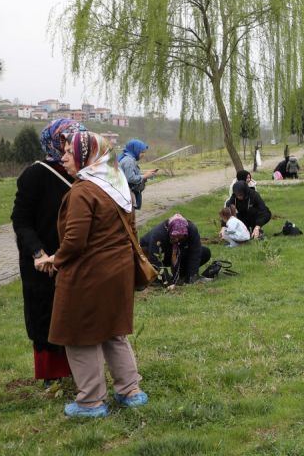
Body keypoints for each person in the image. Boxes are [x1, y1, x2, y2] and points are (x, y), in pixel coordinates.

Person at [38, 131, 147, 418]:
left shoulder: (83, 191)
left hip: (89, 275)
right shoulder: (117, 185)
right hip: (118, 271)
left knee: (79, 336)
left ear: (87, 157)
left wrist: (54, 260)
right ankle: (130, 390)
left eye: (70, 153)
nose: (63, 157)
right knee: (113, 332)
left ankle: (90, 402)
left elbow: (75, 241)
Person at [11, 118, 85, 387]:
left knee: (76, 313)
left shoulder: (86, 174)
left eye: (75, 142)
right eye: (66, 142)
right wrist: (37, 252)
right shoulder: (36, 174)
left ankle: (81, 370)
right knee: (45, 313)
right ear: (55, 142)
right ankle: (51, 374)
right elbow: (21, 220)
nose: (70, 148)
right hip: (42, 260)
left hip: (75, 257)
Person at [140, 213, 212, 286]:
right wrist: (166, 280)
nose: (176, 239)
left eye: (180, 237)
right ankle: (156, 279)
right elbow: (154, 258)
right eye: (174, 237)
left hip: (176, 252)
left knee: (205, 252)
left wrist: (192, 276)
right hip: (156, 255)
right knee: (147, 256)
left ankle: (183, 275)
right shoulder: (159, 234)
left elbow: (195, 252)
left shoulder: (192, 230)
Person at [118, 139, 158, 210]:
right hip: (128, 194)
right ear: (135, 150)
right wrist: (145, 176)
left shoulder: (129, 159)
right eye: (142, 152)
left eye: (144, 152)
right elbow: (130, 178)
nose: (143, 155)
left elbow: (131, 174)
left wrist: (147, 174)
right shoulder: (129, 160)